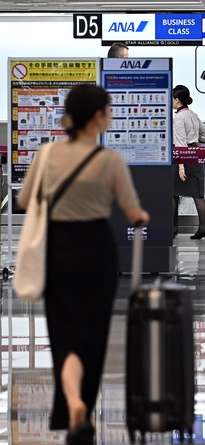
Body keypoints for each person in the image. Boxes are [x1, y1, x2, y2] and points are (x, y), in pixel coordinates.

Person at [17, 85, 149, 442]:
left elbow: (25, 201)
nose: (111, 115)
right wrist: (142, 216)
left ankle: (73, 402)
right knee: (92, 334)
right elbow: (134, 211)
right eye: (108, 109)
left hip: (57, 251)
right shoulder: (110, 161)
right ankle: (83, 408)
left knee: (65, 336)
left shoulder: (46, 155)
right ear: (96, 117)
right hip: (96, 251)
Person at [172, 85, 205, 239]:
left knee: (173, 193)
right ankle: (202, 228)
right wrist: (197, 142)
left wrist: (181, 166)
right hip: (195, 155)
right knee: (198, 194)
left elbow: (180, 143)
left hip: (183, 157)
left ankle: (173, 229)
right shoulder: (193, 114)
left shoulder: (179, 118)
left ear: (177, 100)